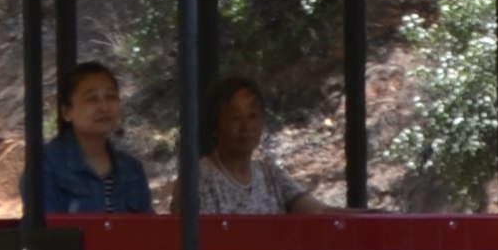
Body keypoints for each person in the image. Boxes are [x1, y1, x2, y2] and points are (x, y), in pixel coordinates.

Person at [184, 76, 326, 216]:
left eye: (252, 116)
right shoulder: (198, 178)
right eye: (235, 117)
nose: (246, 126)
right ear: (215, 125)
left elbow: (321, 212)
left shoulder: (272, 175)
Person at [37, 61, 156, 214]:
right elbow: (43, 233)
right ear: (67, 112)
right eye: (92, 99)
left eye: (111, 97)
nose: (104, 106)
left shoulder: (131, 169)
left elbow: (146, 230)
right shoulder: (46, 164)